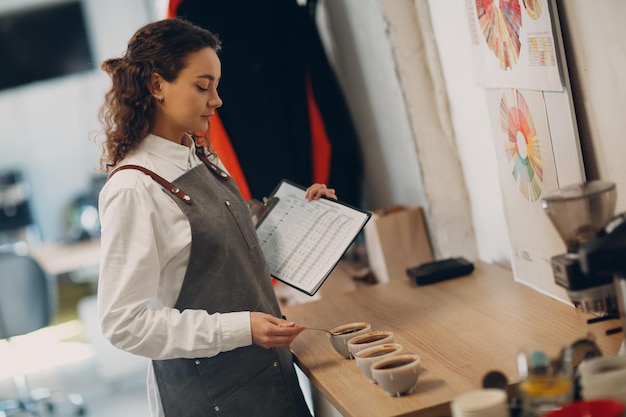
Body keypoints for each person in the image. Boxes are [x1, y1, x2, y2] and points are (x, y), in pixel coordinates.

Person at [96, 17, 336, 417]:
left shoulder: (200, 157)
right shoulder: (134, 189)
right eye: (202, 86)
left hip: (266, 380)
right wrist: (243, 329)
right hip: (213, 400)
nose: (217, 100)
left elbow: (229, 254)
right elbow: (124, 324)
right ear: (157, 86)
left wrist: (303, 217)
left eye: (216, 86)